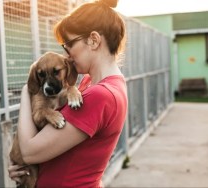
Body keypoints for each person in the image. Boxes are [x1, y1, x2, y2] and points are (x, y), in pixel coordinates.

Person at [8, 0, 128, 187]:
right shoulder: (95, 84)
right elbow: (84, 158)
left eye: (68, 45)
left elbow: (30, 152)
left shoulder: (99, 95)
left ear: (94, 40)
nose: (67, 55)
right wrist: (25, 169)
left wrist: (27, 91)